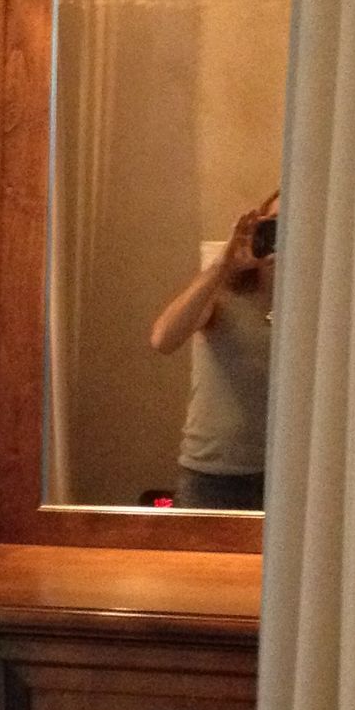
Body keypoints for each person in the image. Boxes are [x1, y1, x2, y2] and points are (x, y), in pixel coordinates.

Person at [149, 192, 278, 509]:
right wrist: (222, 265)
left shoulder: (322, 301)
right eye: (274, 224)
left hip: (291, 473)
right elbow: (164, 339)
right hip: (213, 476)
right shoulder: (223, 290)